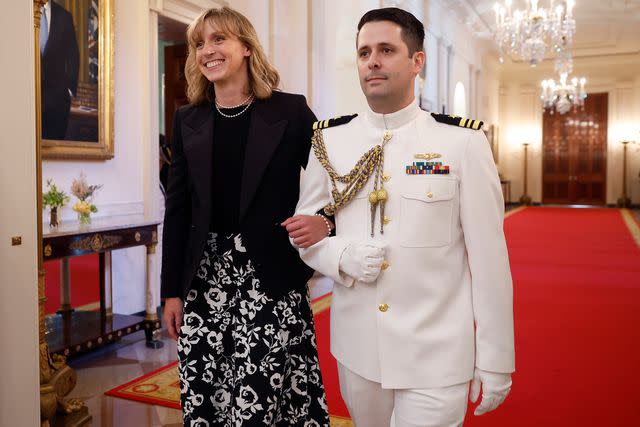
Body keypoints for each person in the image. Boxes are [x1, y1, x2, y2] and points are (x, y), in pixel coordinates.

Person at [292, 7, 515, 427]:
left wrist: (497, 358)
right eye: (363, 53)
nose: (372, 61)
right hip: (359, 349)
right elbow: (305, 229)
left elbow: (489, 261)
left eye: (386, 50)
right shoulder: (330, 139)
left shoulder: (462, 142)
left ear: (417, 61)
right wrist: (340, 255)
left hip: (437, 352)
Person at [160, 7, 330, 425]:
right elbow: (177, 209)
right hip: (204, 278)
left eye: (219, 39)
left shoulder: (290, 113)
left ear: (246, 48)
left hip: (269, 275)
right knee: (207, 391)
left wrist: (325, 222)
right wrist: (171, 291)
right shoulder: (188, 119)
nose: (207, 50)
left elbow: (335, 178)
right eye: (200, 43)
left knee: (263, 393)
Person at [40, 0, 79, 140]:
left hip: (57, 103)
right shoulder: (20, 13)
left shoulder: (65, 17)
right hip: (27, 98)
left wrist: (69, 90)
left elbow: (73, 55)